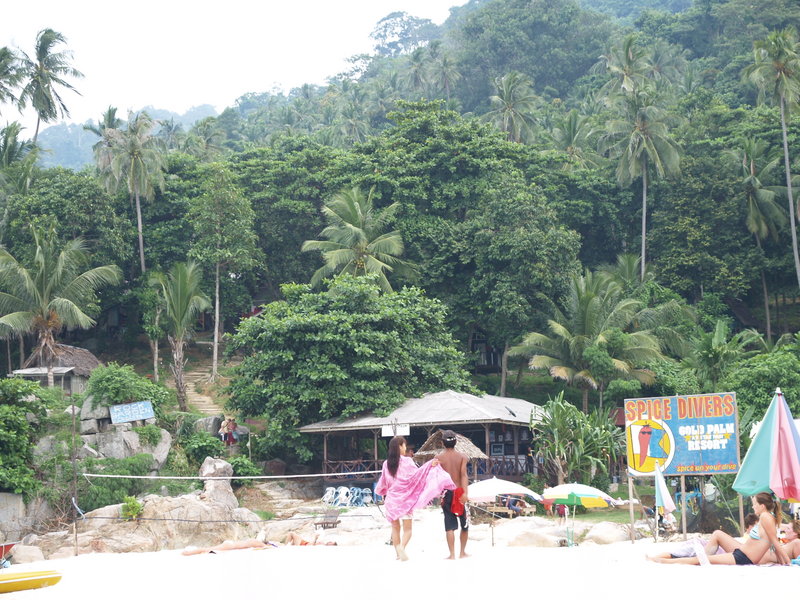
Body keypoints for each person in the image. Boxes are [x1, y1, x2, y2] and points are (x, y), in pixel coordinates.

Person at [375, 436, 455, 561]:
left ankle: (397, 554)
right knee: (408, 530)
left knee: (395, 528)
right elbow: (418, 475)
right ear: (400, 446)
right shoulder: (408, 461)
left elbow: (383, 482)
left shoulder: (386, 464)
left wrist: (382, 491)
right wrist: (430, 464)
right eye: (404, 445)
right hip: (405, 501)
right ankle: (401, 547)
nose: (405, 448)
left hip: (391, 500)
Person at [652, 492, 790, 565]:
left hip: (743, 557)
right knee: (717, 534)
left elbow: (775, 542)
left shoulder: (766, 517)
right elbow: (773, 543)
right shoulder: (767, 516)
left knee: (698, 561)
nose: (753, 507)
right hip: (742, 552)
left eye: (754, 504)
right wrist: (783, 561)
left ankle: (664, 561)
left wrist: (787, 563)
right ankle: (704, 555)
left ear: (762, 506)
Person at [436, 429, 470, 560]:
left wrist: (439, 494)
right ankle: (462, 552)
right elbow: (463, 475)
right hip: (460, 491)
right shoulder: (462, 457)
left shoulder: (438, 458)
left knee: (449, 524)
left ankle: (452, 554)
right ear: (456, 442)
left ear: (442, 443)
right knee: (464, 523)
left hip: (446, 493)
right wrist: (465, 493)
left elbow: (437, 478)